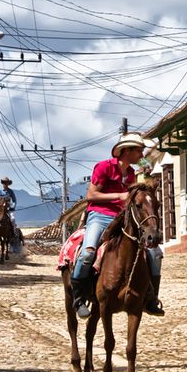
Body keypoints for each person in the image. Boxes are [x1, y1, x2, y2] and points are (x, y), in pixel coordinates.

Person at [70, 132, 164, 320]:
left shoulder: (130, 173)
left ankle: (151, 297)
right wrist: (119, 196)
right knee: (88, 252)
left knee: (155, 253)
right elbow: (91, 195)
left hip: (123, 217)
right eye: (139, 150)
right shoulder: (104, 167)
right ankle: (78, 297)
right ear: (126, 151)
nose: (142, 154)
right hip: (99, 215)